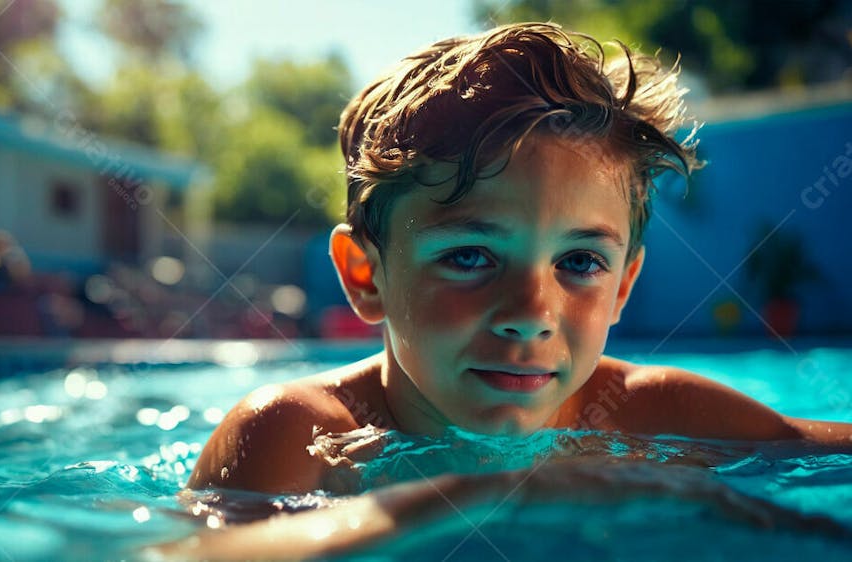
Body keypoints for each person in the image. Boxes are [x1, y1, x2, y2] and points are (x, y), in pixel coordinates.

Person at [186, 22, 852, 496]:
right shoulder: (294, 437)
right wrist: (465, 499)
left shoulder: (657, 417)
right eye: (471, 255)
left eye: (581, 263)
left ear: (623, 286)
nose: (532, 315)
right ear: (365, 274)